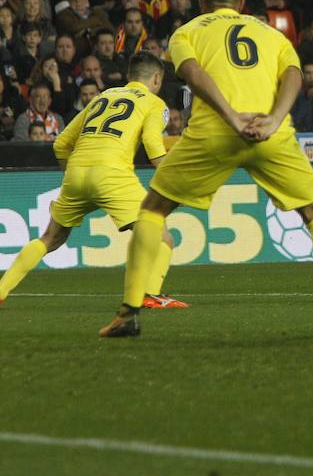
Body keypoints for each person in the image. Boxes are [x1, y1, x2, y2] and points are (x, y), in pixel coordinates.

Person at [99, 0, 313, 337]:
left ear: (201, 4)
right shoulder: (271, 33)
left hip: (214, 134)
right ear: (241, 4)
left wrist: (230, 117)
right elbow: (293, 75)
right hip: (269, 134)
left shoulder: (187, 31)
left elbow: (192, 73)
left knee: (153, 210)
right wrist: (274, 118)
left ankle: (128, 314)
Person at [0, 53, 186, 310]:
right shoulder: (155, 104)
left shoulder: (102, 97)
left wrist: (71, 179)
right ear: (157, 78)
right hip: (113, 174)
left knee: (50, 238)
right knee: (162, 236)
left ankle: (1, 289)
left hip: (76, 173)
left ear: (130, 76)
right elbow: (154, 147)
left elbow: (62, 143)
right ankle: (150, 293)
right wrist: (176, 183)